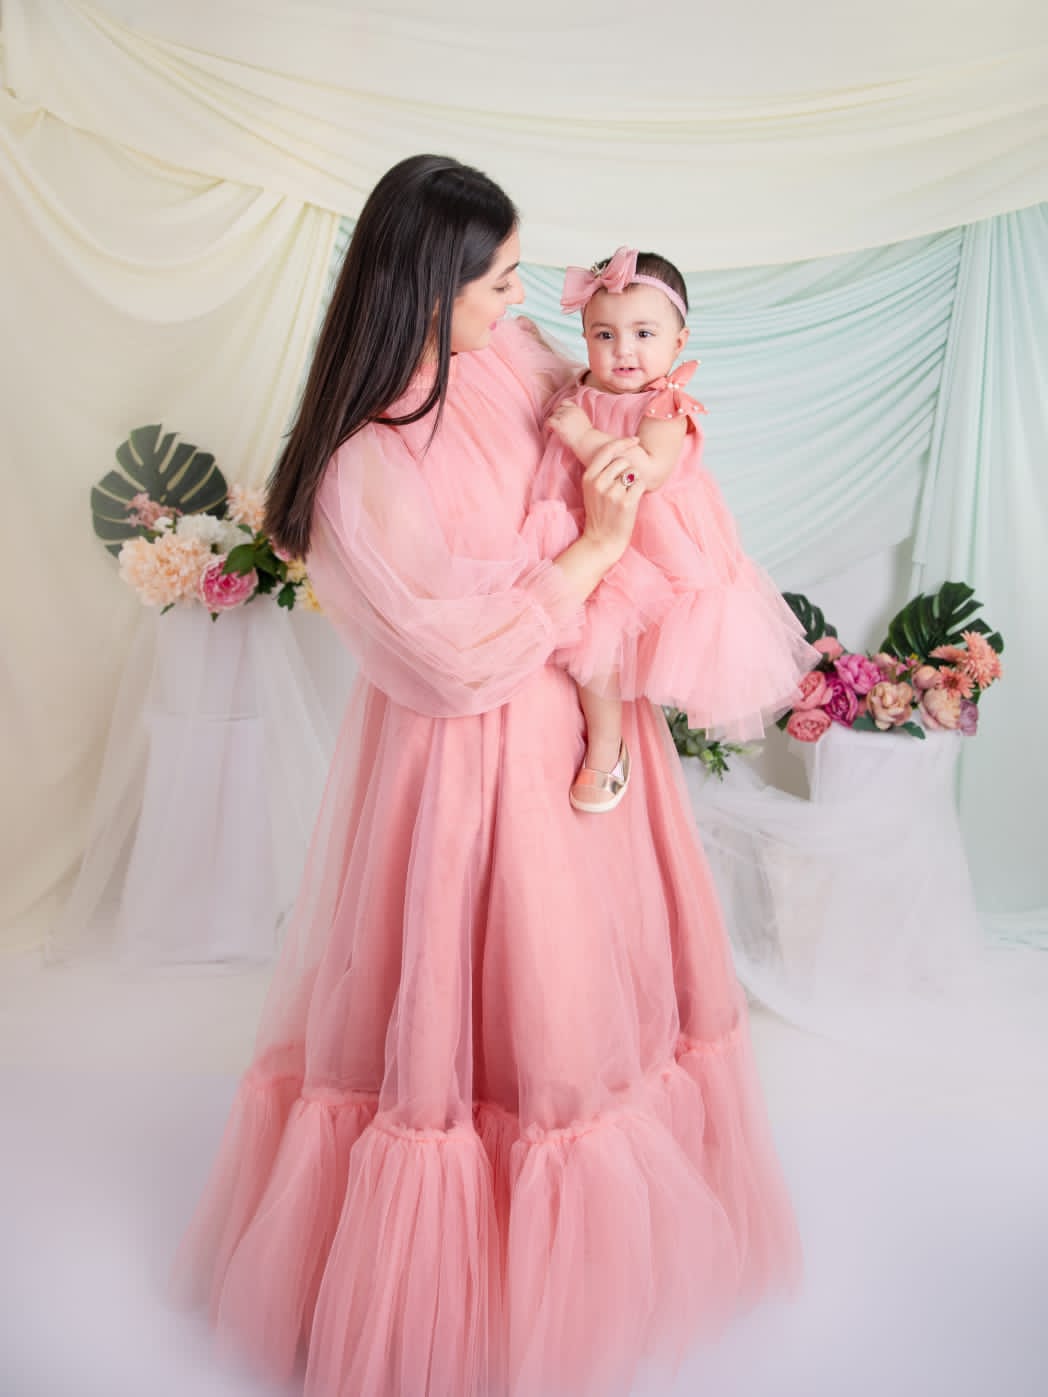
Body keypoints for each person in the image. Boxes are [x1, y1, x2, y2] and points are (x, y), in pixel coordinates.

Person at [172, 155, 801, 1397]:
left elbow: (610, 407)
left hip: (577, 720)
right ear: (428, 287)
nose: (525, 301)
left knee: (591, 985)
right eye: (501, 279)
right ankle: (463, 1281)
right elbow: (453, 660)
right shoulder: (365, 464)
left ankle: (594, 1260)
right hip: (474, 763)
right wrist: (598, 548)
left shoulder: (506, 358)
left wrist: (653, 443)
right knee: (505, 997)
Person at [525, 246, 818, 813]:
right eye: (604, 335)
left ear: (677, 344)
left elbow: (647, 472)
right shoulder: (583, 386)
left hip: (645, 541)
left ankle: (607, 748)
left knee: (599, 639)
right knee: (570, 628)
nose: (623, 350)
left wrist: (582, 435)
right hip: (583, 524)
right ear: (584, 337)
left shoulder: (665, 406)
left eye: (643, 334)